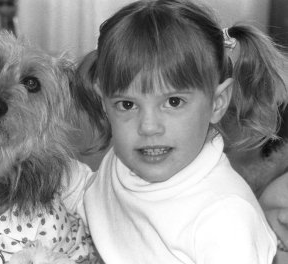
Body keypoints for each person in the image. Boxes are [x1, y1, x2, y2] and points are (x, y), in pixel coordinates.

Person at [63, 0, 288, 263]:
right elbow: (88, 206)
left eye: (173, 102)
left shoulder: (225, 219)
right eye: (127, 104)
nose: (148, 127)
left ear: (217, 103)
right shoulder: (122, 162)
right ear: (104, 104)